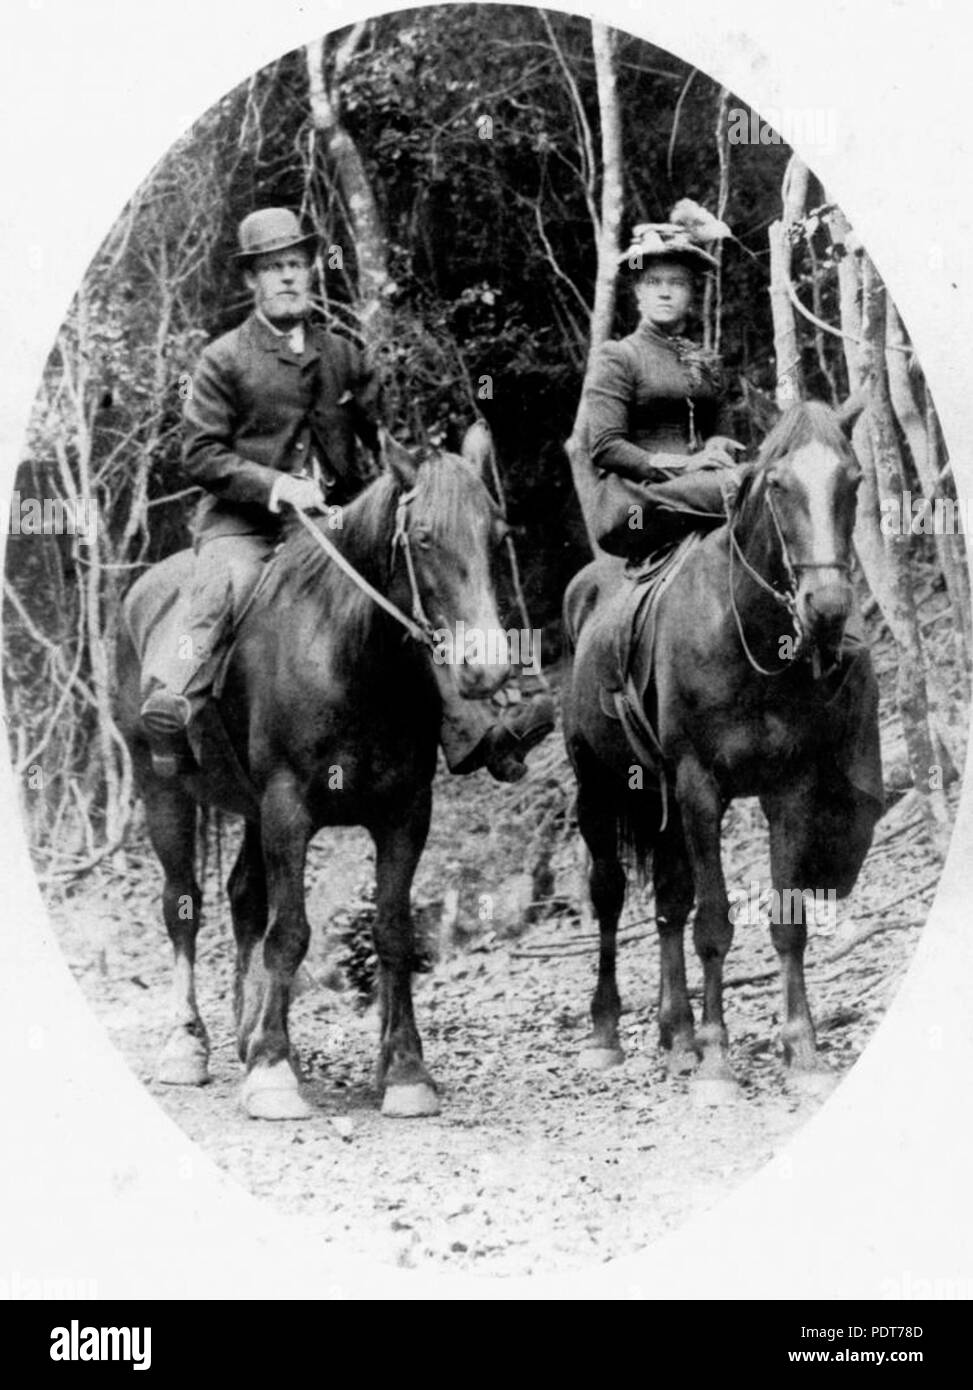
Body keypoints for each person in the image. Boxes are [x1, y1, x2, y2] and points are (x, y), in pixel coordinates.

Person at [140, 207, 553, 780]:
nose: (287, 277)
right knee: (223, 582)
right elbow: (200, 453)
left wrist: (434, 474)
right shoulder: (222, 360)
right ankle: (174, 699)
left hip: (336, 525)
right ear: (251, 281)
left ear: (311, 273)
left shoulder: (342, 354)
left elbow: (385, 435)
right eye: (272, 267)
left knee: (409, 584)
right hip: (248, 526)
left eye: (296, 265)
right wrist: (277, 486)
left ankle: (476, 731)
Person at [584, 214, 742, 560]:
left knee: (762, 482)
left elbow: (721, 430)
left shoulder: (705, 362)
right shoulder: (619, 356)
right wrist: (686, 465)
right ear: (639, 292)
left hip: (698, 492)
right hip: (637, 504)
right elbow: (607, 447)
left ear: (690, 294)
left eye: (679, 283)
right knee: (741, 488)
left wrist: (716, 450)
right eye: (654, 282)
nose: (666, 292)